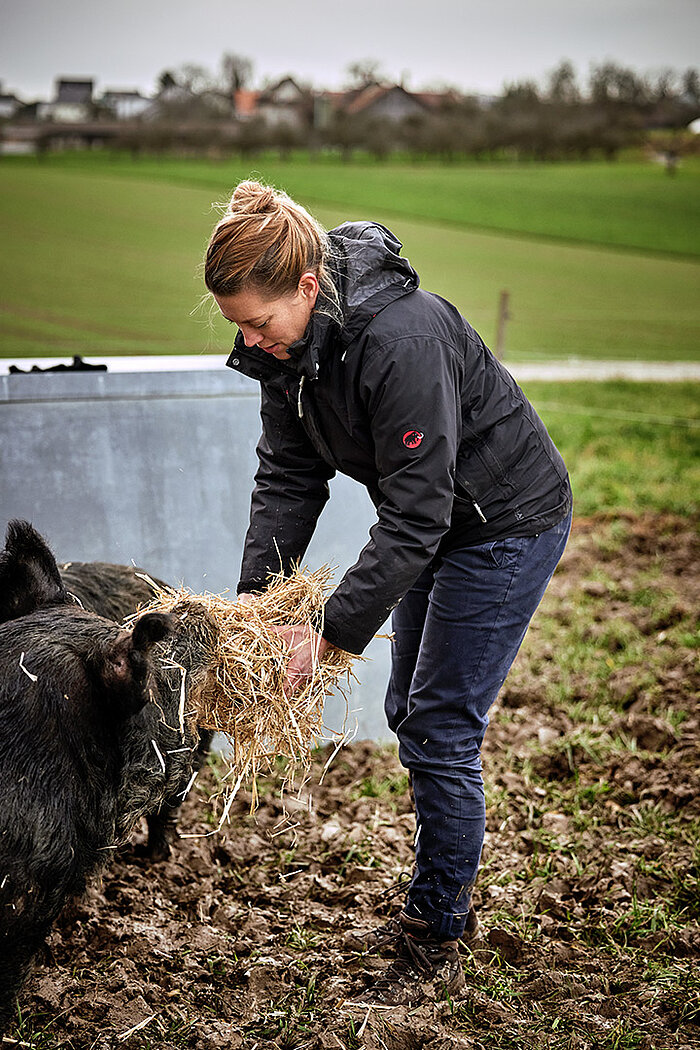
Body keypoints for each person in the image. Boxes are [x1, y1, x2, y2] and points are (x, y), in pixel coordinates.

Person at [204, 180, 572, 1006]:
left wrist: (327, 634)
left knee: (440, 726)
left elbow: (416, 515)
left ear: (307, 287)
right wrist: (254, 611)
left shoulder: (400, 340)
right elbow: (289, 476)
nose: (250, 340)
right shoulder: (288, 352)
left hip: (504, 522)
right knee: (410, 708)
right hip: (438, 522)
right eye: (238, 327)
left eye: (258, 322)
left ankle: (435, 928)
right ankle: (438, 896)